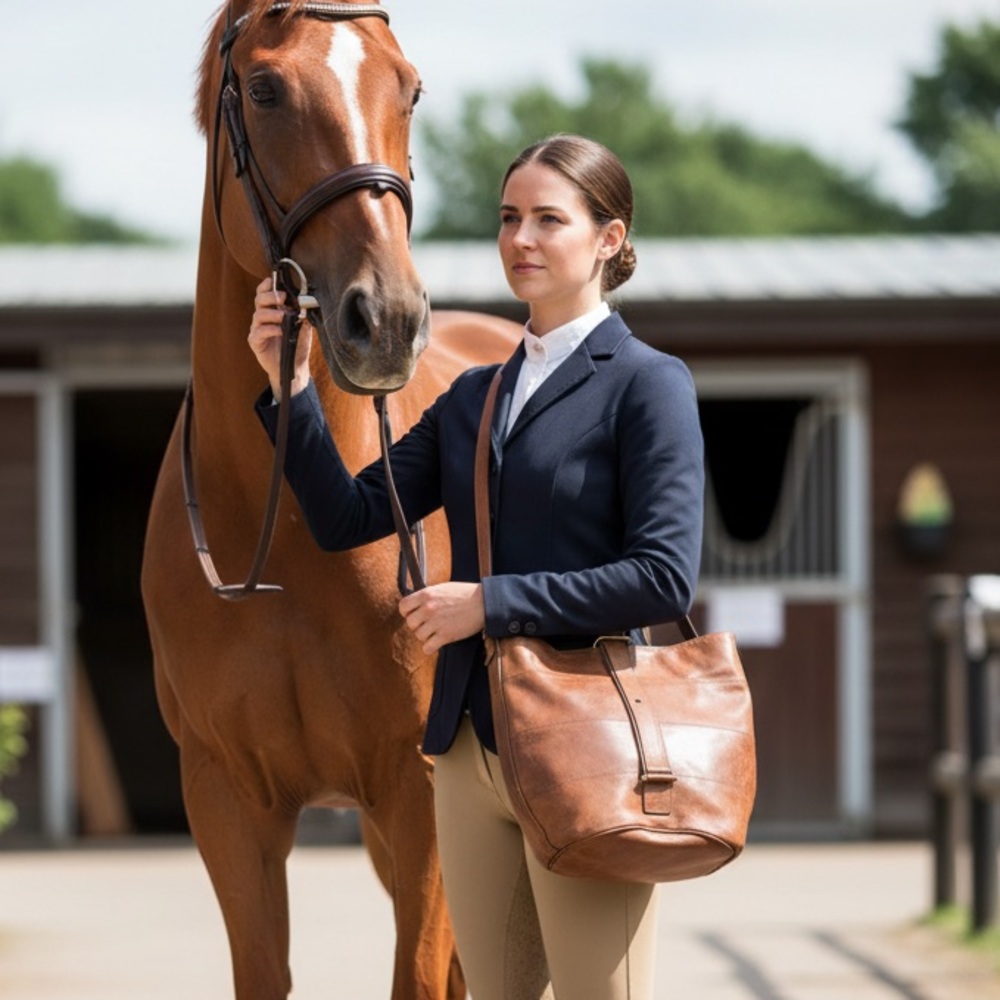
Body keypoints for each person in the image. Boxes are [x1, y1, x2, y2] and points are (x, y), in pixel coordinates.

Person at [249, 134, 704, 1000]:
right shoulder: (472, 396)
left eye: (547, 219)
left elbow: (662, 577)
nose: (520, 239)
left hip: (586, 737)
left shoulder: (650, 385)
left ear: (609, 239)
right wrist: (292, 389)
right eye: (507, 218)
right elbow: (348, 518)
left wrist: (486, 604)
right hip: (466, 753)